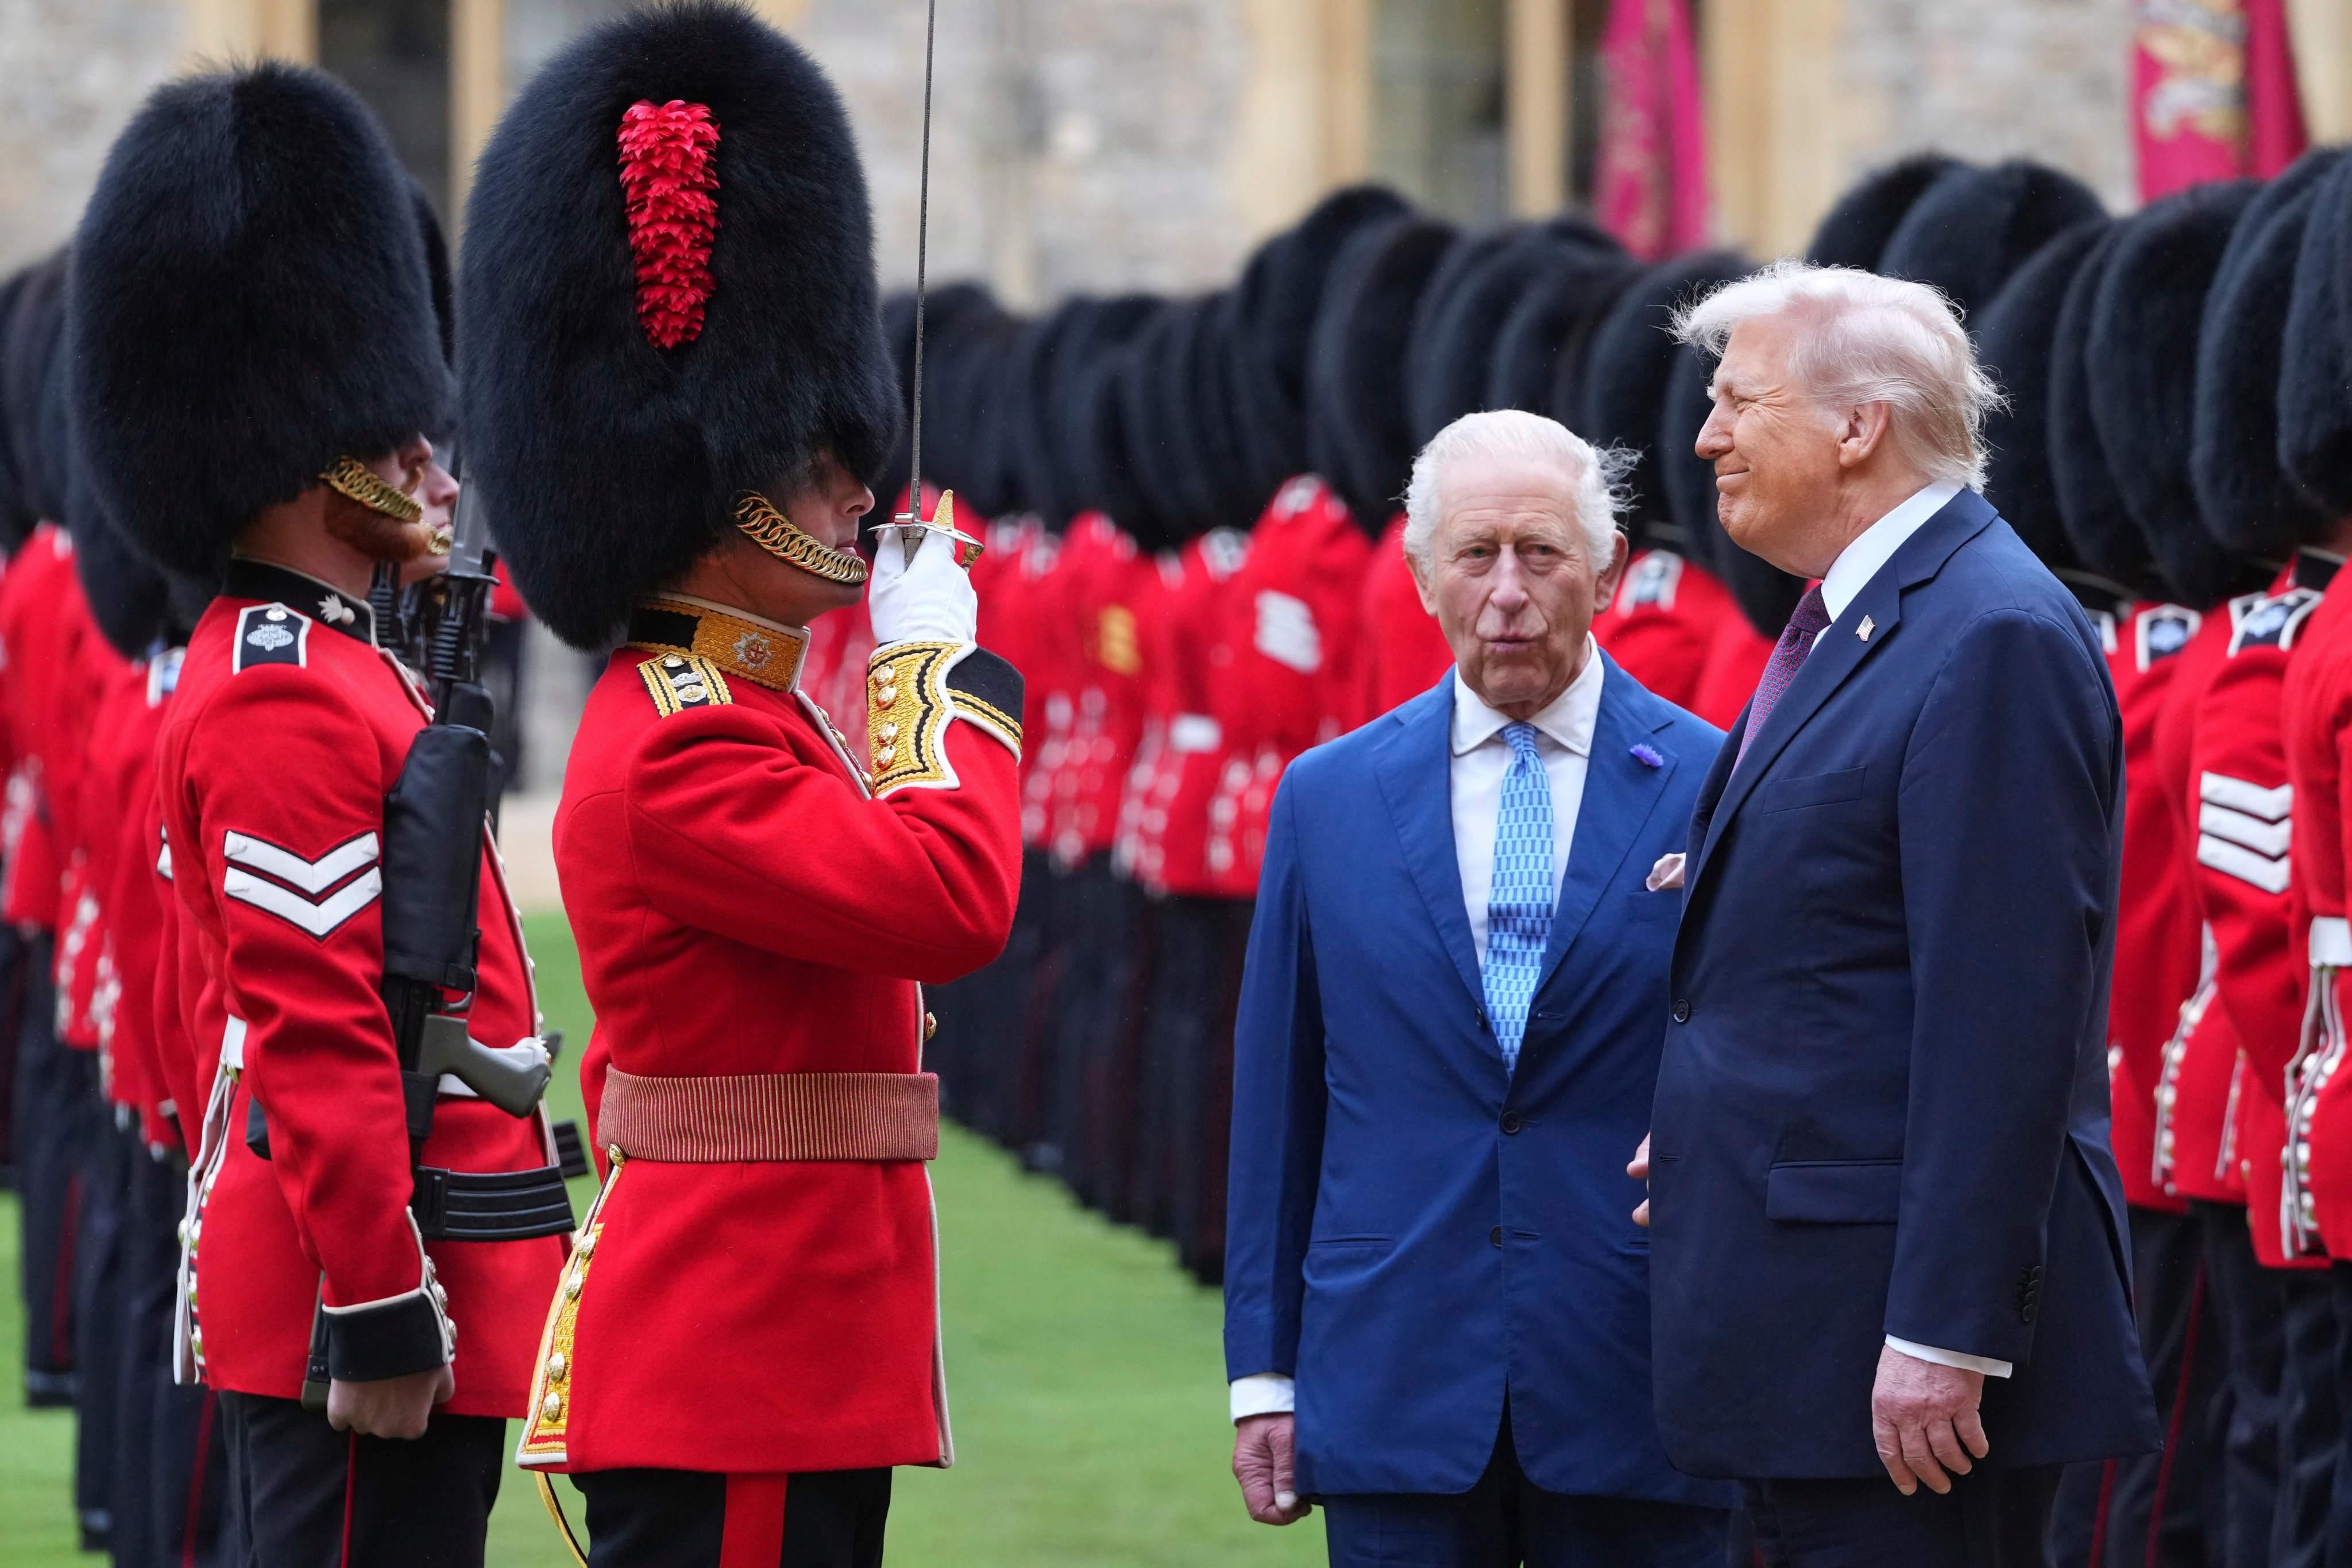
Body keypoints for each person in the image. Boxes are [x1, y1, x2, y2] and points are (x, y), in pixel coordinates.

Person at [459, 6, 1025, 1564]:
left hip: (786, 1352)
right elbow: (950, 896)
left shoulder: (741, 712)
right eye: (815, 462)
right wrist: (943, 679)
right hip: (742, 1361)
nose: (860, 489)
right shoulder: (687, 740)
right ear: (713, 488)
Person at [69, 61, 569, 1566]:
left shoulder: (332, 669)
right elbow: (318, 1029)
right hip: (362, 1290)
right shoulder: (284, 692)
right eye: (397, 434)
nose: (430, 461)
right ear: (308, 448)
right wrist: (377, 1300)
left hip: (409, 1261)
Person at [1639, 260, 2158, 1567]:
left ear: (1855, 426)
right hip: (1804, 1321)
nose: (1703, 437)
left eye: (1736, 403)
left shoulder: (1983, 634)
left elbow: (2001, 1019)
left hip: (1897, 1357)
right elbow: (1839, 947)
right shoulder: (1860, 620)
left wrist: (1945, 1332)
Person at [1223, 408, 1735, 1567]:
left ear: (1604, 572)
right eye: (1474, 555)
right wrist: (1263, 1372)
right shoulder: (1326, 797)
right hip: (1393, 1370)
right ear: (1420, 577)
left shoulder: (1718, 782)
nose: (1508, 590)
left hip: (1638, 1373)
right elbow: (1278, 1106)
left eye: (1540, 553)